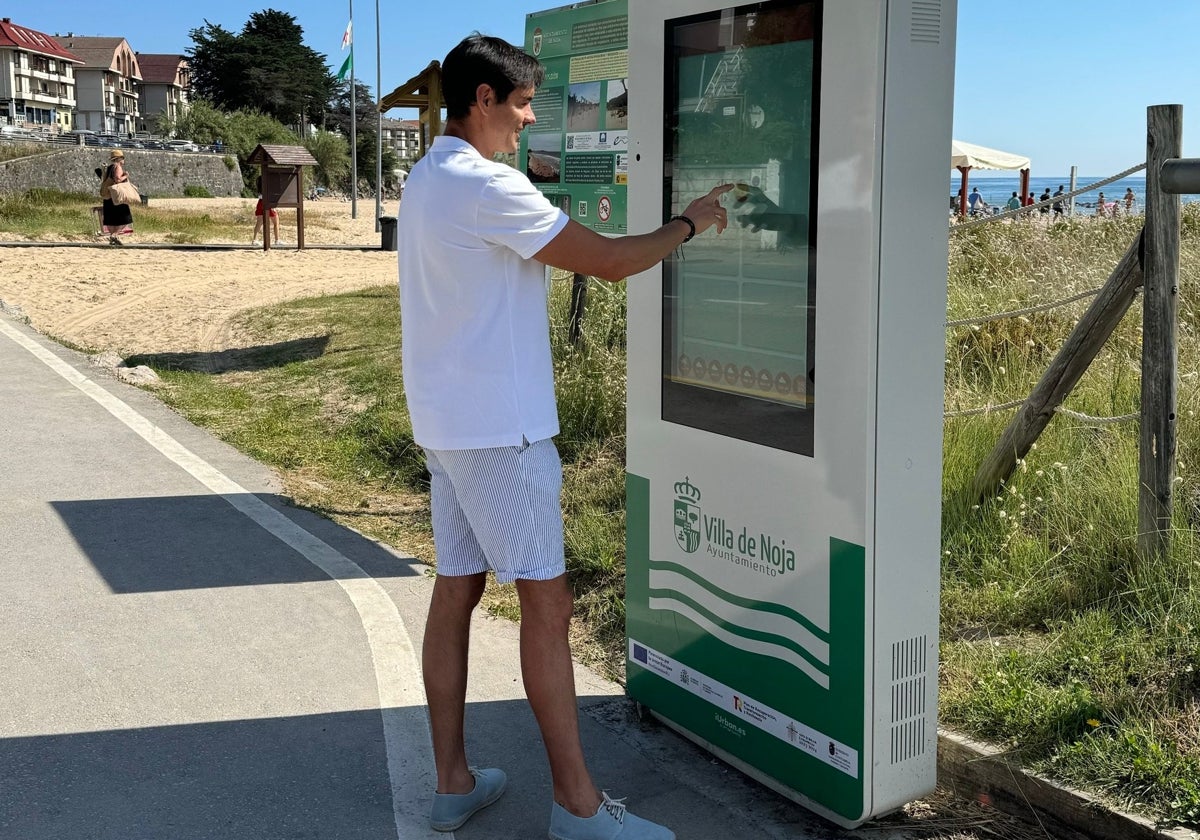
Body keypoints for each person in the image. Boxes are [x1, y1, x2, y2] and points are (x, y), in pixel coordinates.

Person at [397, 33, 728, 840]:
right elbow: (609, 262)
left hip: (445, 425)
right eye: (519, 104)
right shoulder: (485, 185)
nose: (529, 119)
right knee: (548, 605)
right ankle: (579, 809)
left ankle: (452, 784)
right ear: (481, 100)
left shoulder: (429, 175)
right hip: (501, 432)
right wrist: (689, 221)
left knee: (458, 589)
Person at [98, 148, 133, 245]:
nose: (123, 160)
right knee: (126, 218)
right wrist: (126, 176)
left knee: (111, 219)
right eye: (123, 158)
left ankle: (113, 238)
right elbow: (118, 179)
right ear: (119, 159)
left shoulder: (109, 168)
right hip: (116, 196)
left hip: (108, 196)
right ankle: (115, 235)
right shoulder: (118, 167)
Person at [252, 177, 280, 244]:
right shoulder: (268, 186)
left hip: (260, 202)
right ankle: (277, 240)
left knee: (259, 223)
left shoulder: (260, 185)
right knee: (276, 222)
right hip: (268, 202)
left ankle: (254, 240)